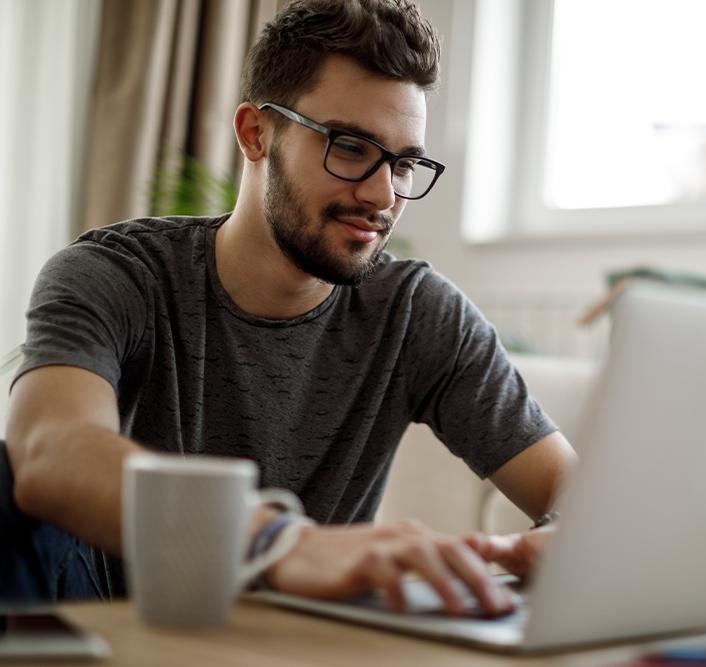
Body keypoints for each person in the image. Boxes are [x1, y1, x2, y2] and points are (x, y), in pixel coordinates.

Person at [5, 0, 576, 616]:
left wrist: (569, 537)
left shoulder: (416, 313)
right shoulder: (118, 275)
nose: (383, 195)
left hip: (306, 642)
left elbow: (575, 491)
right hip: (119, 624)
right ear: (255, 133)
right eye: (351, 147)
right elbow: (47, 449)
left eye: (405, 162)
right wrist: (277, 542)